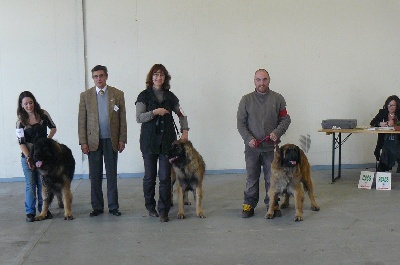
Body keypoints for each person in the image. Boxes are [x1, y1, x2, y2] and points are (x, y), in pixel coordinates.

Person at [135, 64, 189, 222]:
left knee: (166, 177)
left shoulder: (170, 96)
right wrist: (155, 112)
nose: (159, 78)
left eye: (162, 75)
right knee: (150, 177)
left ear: (165, 78)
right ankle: (150, 206)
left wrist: (185, 130)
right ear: (151, 77)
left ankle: (163, 209)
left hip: (168, 142)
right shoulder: (143, 96)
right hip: (149, 142)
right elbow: (139, 118)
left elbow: (182, 114)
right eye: (156, 75)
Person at [237, 69, 291, 218]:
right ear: (254, 81)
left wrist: (277, 133)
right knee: (252, 177)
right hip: (252, 149)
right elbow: (240, 124)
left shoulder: (278, 98)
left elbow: (285, 119)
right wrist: (249, 139)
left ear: (269, 80)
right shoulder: (246, 100)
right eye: (258, 80)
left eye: (264, 79)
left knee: (271, 178)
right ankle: (248, 204)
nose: (262, 83)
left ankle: (272, 203)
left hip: (270, 149)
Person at [78, 65, 127, 217]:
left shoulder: (117, 94)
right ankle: (97, 207)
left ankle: (113, 206)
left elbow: (122, 119)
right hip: (93, 142)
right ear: (93, 78)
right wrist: (83, 142)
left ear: (106, 76)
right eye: (95, 76)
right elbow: (81, 121)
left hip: (111, 140)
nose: (98, 79)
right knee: (95, 176)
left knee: (112, 175)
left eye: (101, 75)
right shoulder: (85, 96)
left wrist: (122, 139)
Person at [16, 91, 57, 222]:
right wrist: (29, 157)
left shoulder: (43, 114)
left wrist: (47, 141)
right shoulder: (20, 121)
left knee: (43, 184)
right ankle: (30, 212)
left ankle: (44, 210)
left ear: (34, 102)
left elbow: (53, 128)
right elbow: (21, 143)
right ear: (22, 105)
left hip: (43, 157)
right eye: (26, 103)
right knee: (30, 184)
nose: (29, 105)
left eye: (31, 102)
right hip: (28, 156)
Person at [370, 95, 400, 172]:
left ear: (397, 106)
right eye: (389, 105)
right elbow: (372, 122)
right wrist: (380, 123)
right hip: (385, 141)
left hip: (397, 141)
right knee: (385, 152)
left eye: (393, 105)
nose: (390, 107)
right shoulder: (382, 112)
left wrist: (394, 122)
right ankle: (383, 168)